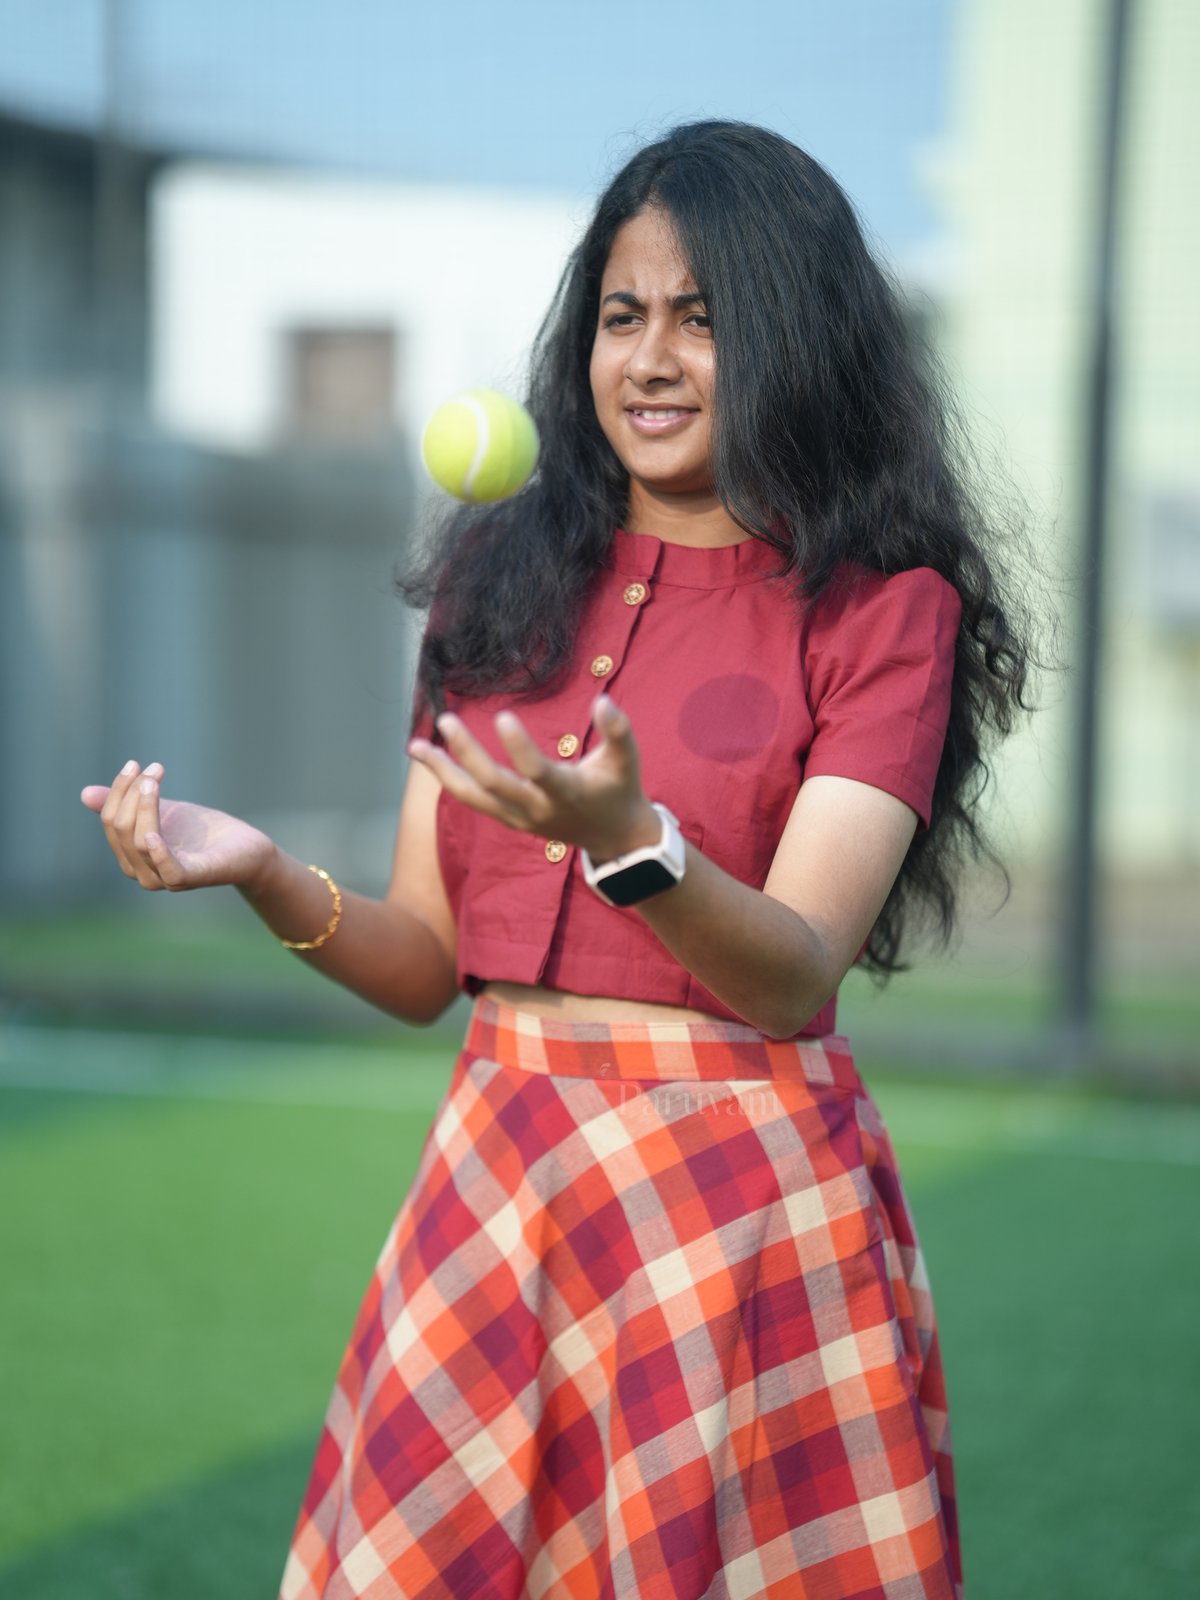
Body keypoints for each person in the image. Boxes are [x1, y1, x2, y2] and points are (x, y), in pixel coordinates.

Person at [83, 122, 1030, 1600]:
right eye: (622, 314)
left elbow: (794, 973)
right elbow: (419, 964)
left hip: (742, 1205)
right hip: (497, 1169)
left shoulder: (877, 610)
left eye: (704, 319)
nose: (650, 358)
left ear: (796, 337)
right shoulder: (497, 578)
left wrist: (631, 849)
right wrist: (260, 868)